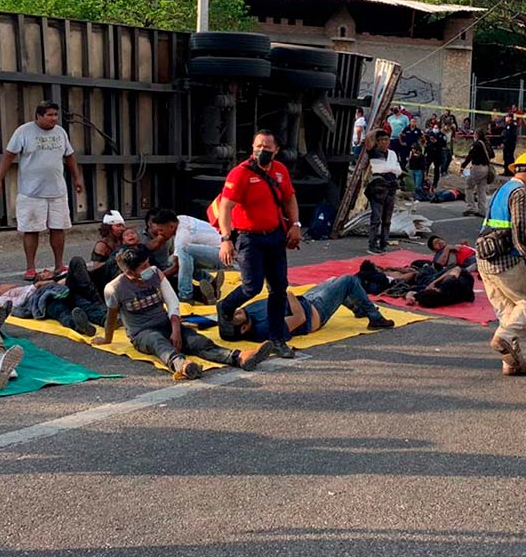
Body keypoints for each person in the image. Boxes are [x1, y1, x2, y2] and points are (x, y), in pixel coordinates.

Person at [93, 248, 265, 378]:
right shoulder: (114, 289)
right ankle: (182, 365)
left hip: (166, 324)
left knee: (197, 341)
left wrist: (176, 330)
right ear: (129, 272)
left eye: (148, 263)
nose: (149, 268)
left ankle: (238, 357)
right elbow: (111, 316)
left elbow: (172, 302)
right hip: (142, 333)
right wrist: (107, 338)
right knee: (157, 342)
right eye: (143, 266)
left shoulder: (154, 273)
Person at [212, 130, 301, 358]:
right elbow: (226, 207)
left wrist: (296, 225)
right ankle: (225, 306)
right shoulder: (240, 173)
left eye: (267, 147)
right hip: (248, 238)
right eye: (258, 146)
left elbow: (290, 198)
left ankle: (277, 338)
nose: (262, 150)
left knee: (279, 288)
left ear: (276, 150)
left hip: (274, 236)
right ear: (252, 147)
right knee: (252, 286)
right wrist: (226, 239)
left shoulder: (280, 171)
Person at [0, 101, 84, 280]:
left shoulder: (61, 133)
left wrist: (77, 178)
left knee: (58, 228)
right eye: (49, 115)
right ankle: (31, 268)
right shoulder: (23, 132)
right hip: (31, 192)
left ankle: (59, 265)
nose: (54, 119)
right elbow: (8, 156)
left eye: (55, 115)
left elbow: (70, 156)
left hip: (57, 190)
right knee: (31, 229)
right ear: (38, 116)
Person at [475, 152, 526, 376]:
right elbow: (519, 228)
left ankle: (513, 363)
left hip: (484, 257)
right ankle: (504, 338)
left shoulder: (501, 190)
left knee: (507, 312)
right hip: (506, 259)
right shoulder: (521, 192)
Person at [221, 274, 394, 342]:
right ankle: (375, 317)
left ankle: (358, 308)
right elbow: (300, 318)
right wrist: (285, 294)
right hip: (314, 312)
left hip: (305, 300)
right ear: (243, 329)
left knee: (333, 281)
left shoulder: (247, 314)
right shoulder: (264, 328)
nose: (235, 311)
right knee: (348, 281)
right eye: (234, 317)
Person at [149, 210, 224, 304]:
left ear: (171, 227)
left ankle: (185, 296)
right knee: (179, 259)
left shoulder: (182, 237)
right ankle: (211, 281)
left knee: (182, 255)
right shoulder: (181, 218)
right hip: (218, 249)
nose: (160, 234)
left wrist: (157, 278)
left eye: (161, 230)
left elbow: (177, 267)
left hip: (223, 254)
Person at [364, 130, 402, 255]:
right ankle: (372, 244)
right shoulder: (374, 153)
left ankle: (383, 244)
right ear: (378, 141)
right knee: (376, 218)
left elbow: (397, 170)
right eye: (382, 140)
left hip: (391, 187)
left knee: (387, 219)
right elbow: (367, 138)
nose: (384, 142)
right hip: (379, 188)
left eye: (386, 140)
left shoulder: (392, 154)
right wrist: (377, 130)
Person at [461, 129, 494, 217]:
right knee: (481, 190)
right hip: (486, 168)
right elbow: (492, 155)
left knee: (469, 186)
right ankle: (482, 210)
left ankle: (471, 207)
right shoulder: (487, 144)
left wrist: (463, 166)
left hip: (477, 167)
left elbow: (470, 156)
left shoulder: (477, 144)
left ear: (477, 135)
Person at [424, 119, 448, 193]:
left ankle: (435, 183)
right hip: (429, 153)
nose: (435, 129)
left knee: (436, 169)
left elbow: (444, 144)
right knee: (426, 166)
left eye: (437, 127)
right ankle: (425, 181)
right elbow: (425, 143)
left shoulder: (441, 135)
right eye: (434, 127)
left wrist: (436, 142)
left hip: (437, 154)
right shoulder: (428, 133)